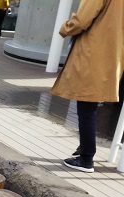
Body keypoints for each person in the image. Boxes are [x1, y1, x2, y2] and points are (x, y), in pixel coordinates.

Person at [50, 0, 124, 173]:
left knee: (86, 104)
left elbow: (82, 20)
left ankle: (86, 158)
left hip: (97, 50)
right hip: (115, 52)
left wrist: (66, 27)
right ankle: (84, 151)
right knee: (93, 104)